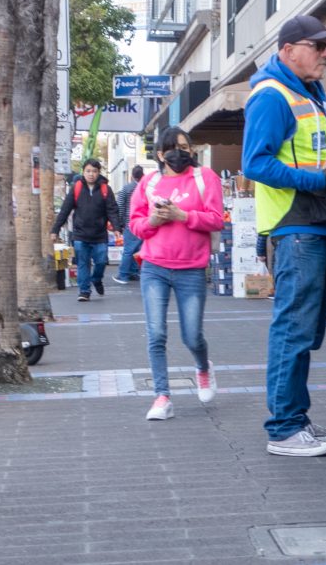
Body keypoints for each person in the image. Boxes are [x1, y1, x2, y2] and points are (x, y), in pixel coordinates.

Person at [242, 14, 326, 457]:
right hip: (296, 226)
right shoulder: (273, 95)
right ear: (288, 51)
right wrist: (318, 182)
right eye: (317, 46)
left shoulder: (309, 92)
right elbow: (255, 164)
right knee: (293, 329)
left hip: (313, 226)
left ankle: (295, 420)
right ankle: (284, 428)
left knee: (305, 330)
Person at [128, 127, 224, 420]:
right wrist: (154, 220)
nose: (181, 153)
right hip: (154, 267)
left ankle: (203, 368)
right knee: (156, 333)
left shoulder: (204, 178)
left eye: (186, 147)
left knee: (192, 335)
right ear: (160, 154)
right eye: (174, 148)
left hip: (191, 269)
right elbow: (135, 223)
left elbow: (217, 219)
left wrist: (184, 216)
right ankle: (162, 397)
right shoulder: (149, 182)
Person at [50, 158, 120, 302]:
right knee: (83, 263)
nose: (91, 174)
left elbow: (112, 210)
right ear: (83, 172)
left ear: (98, 172)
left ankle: (96, 279)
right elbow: (65, 210)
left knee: (101, 262)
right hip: (80, 234)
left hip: (99, 235)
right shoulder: (76, 188)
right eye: (88, 171)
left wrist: (117, 227)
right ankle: (84, 291)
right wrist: (55, 230)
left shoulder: (106, 189)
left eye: (94, 171)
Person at [113, 164, 145, 284]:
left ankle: (123, 275)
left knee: (128, 250)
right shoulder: (146, 188)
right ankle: (134, 272)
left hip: (130, 223)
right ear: (143, 176)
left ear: (131, 176)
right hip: (143, 223)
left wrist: (119, 223)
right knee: (137, 249)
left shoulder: (126, 189)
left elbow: (120, 207)